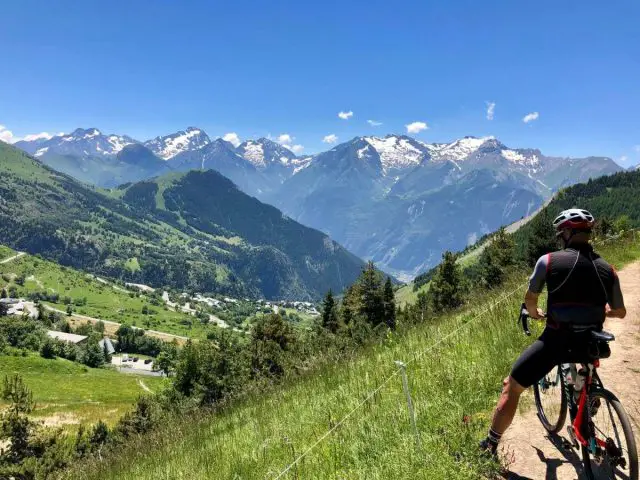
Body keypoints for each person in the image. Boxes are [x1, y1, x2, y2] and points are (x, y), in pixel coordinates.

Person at [480, 208, 626, 456]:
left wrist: (535, 313)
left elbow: (531, 300)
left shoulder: (547, 262)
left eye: (561, 233)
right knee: (585, 367)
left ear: (567, 233)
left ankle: (489, 445)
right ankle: (586, 396)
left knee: (512, 385)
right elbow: (620, 312)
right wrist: (602, 313)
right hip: (592, 341)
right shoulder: (608, 269)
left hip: (557, 341)